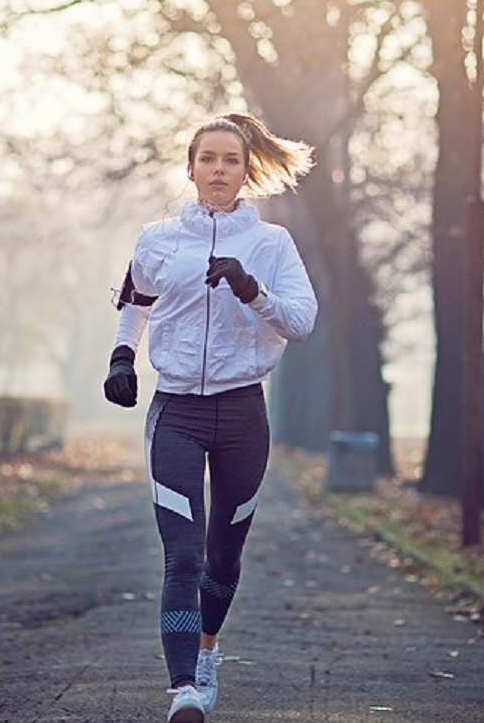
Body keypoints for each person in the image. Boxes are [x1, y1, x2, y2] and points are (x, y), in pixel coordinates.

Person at [104, 112, 318, 723]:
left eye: (230, 160)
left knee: (223, 557)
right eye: (208, 159)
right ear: (191, 167)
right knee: (184, 556)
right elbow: (135, 301)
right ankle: (184, 692)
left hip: (242, 414)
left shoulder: (272, 245)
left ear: (246, 170)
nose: (218, 170)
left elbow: (301, 323)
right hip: (175, 411)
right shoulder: (158, 238)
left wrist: (251, 289)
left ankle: (207, 654)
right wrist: (123, 358)